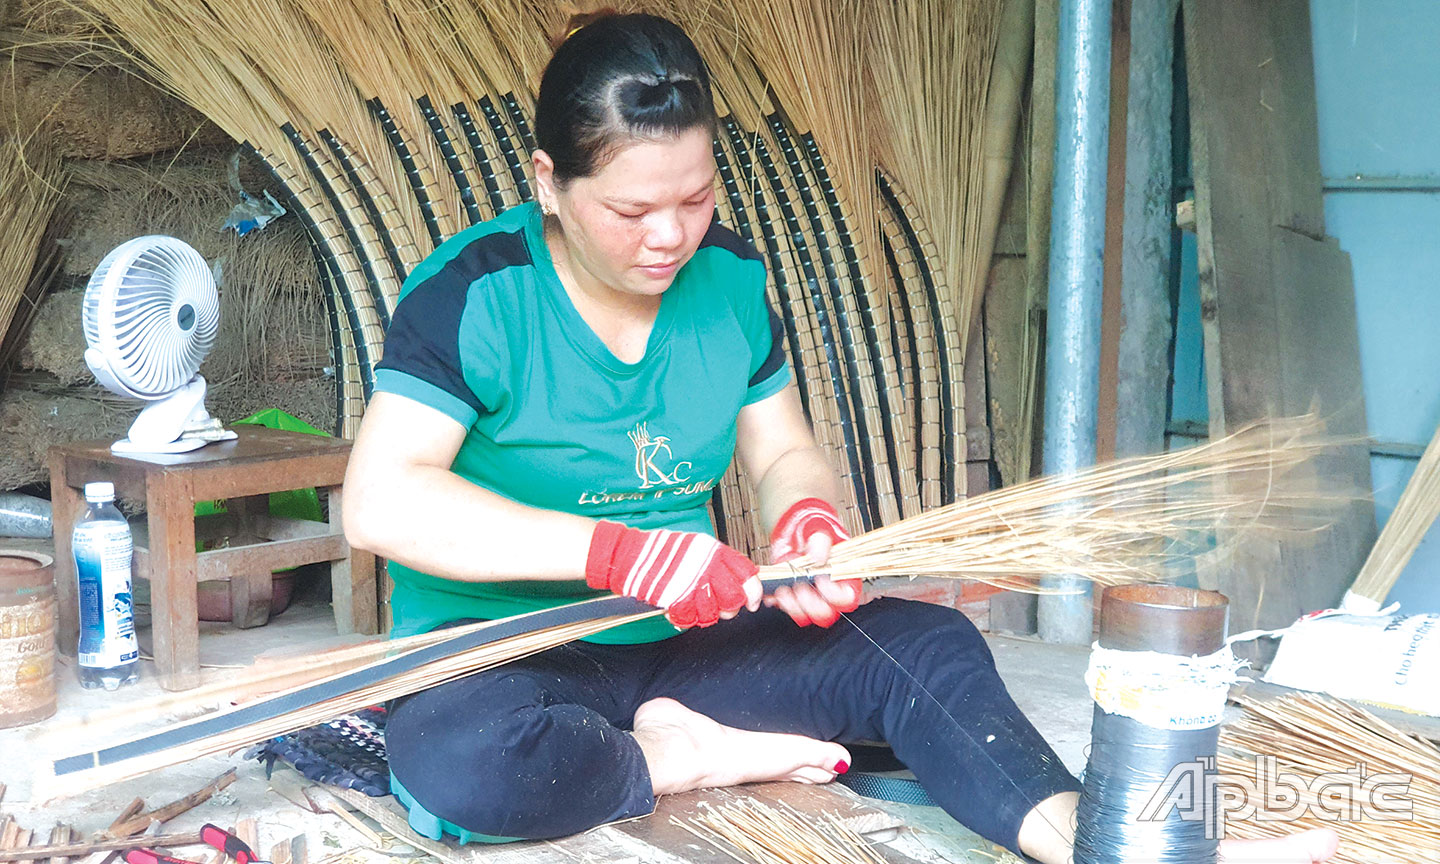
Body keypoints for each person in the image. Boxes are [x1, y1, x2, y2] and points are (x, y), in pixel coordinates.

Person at [343, 12, 1339, 864]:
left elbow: (783, 451)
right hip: (508, 654)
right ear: (548, 184)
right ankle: (679, 757)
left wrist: (808, 519)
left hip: (688, 644)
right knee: (462, 762)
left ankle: (1087, 838)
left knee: (925, 647)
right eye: (631, 209)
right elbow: (385, 500)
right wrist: (615, 554)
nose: (671, 236)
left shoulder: (729, 280)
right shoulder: (477, 293)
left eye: (695, 198)